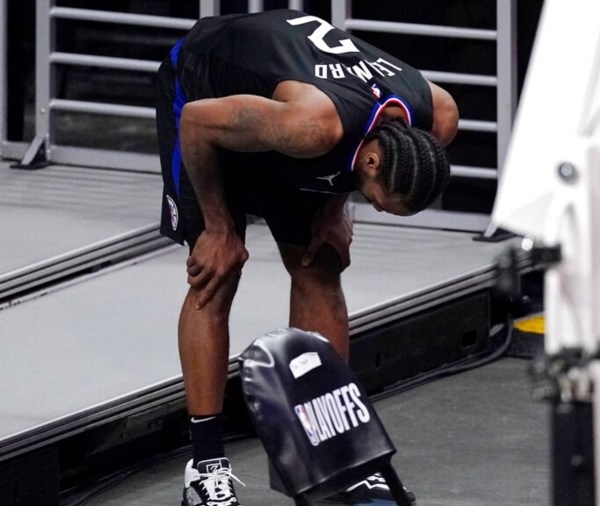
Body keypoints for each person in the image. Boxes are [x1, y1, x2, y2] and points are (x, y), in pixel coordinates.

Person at [155, 9, 458, 506]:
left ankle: (333, 455)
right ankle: (205, 466)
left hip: (289, 117)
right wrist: (218, 227)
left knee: (320, 265)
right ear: (374, 163)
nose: (376, 208)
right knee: (218, 270)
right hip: (206, 98)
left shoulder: (436, 119)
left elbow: (355, 155)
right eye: (381, 201)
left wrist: (336, 207)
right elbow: (197, 124)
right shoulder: (309, 127)